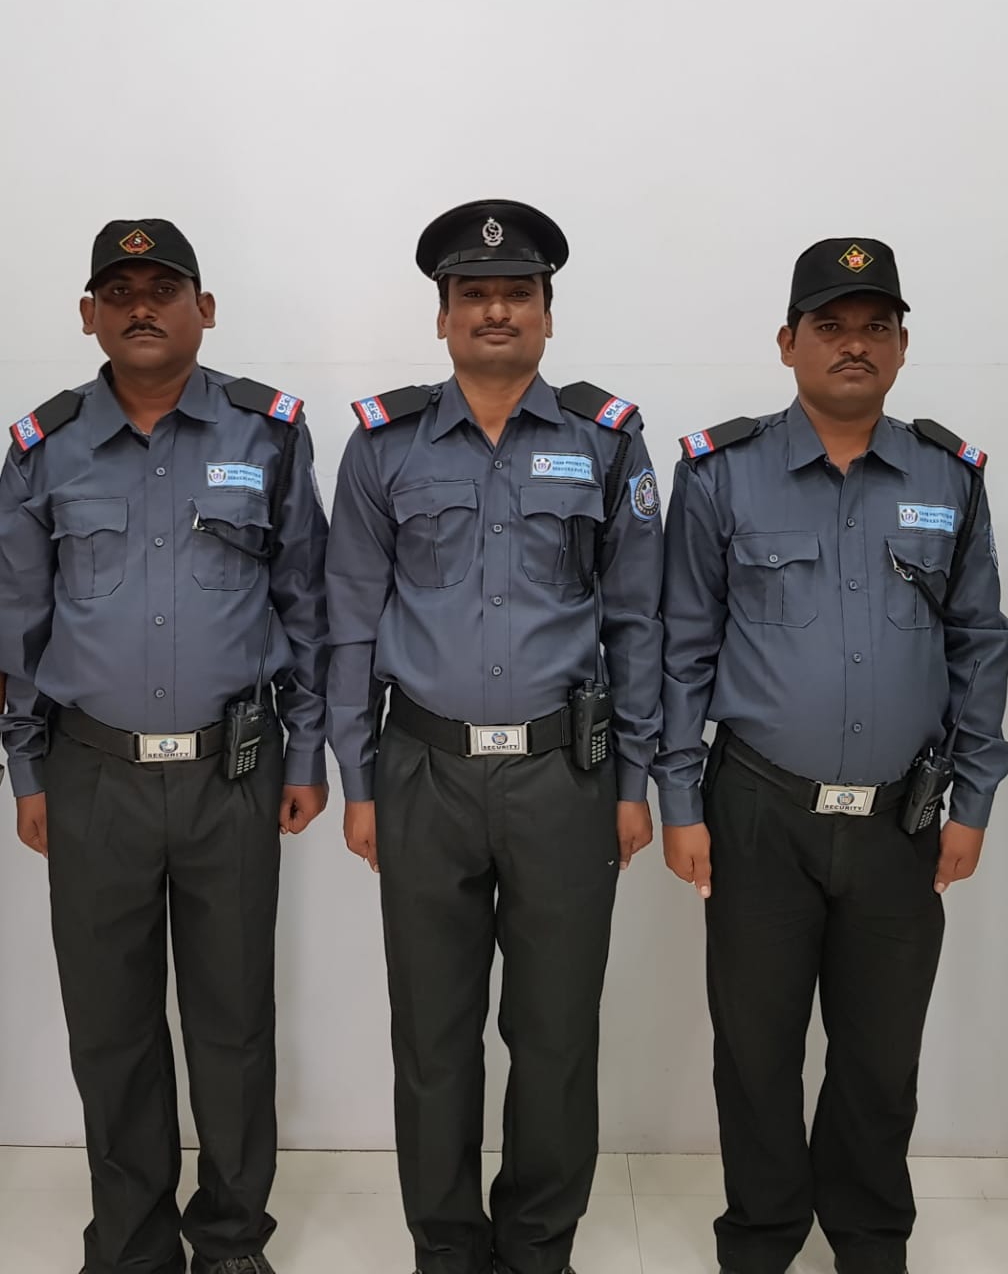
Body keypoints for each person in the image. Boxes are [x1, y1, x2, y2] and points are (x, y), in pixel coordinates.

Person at [654, 237, 1008, 1274]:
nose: (854, 343)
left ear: (901, 344)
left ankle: (868, 1237)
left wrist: (973, 797)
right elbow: (682, 647)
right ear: (788, 342)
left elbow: (980, 642)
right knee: (756, 1047)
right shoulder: (720, 474)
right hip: (757, 809)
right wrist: (680, 798)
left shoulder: (947, 476)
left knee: (880, 1053)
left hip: (904, 816)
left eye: (875, 325)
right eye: (830, 325)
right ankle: (762, 1236)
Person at [326, 199, 663, 1274]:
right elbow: (349, 621)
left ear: (548, 314)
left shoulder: (608, 439)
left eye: (518, 292)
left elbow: (637, 622)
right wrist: (358, 781)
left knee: (555, 1034)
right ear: (443, 317)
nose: (496, 310)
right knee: (432, 1035)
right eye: (474, 295)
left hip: (566, 772)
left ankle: (537, 1246)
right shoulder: (381, 445)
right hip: (421, 771)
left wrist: (634, 782)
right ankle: (444, 1245)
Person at [0, 219, 330, 1274]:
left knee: (233, 1023)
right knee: (111, 1028)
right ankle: (133, 1244)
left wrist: (308, 755)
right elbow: (16, 625)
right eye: (119, 290)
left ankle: (230, 1238)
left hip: (234, 773)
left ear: (205, 307)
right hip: (89, 776)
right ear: (88, 314)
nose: (140, 305)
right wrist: (26, 768)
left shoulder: (268, 433)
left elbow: (307, 603)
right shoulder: (42, 448)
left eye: (163, 287)